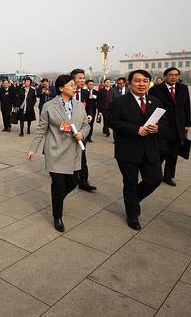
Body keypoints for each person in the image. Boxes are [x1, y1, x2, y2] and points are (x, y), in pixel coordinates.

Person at [27, 74, 90, 232]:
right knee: (58, 184)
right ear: (61, 88)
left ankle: (57, 200)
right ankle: (57, 216)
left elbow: (85, 125)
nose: (74, 87)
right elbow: (41, 129)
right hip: (54, 150)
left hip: (73, 151)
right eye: (71, 85)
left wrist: (82, 133)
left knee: (73, 182)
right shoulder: (49, 106)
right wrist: (32, 149)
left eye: (74, 85)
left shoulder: (79, 105)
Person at [110, 69, 163, 230]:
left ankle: (132, 200)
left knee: (155, 179)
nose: (142, 84)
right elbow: (113, 121)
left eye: (145, 81)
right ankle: (132, 215)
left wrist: (158, 128)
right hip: (128, 150)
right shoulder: (120, 102)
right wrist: (135, 129)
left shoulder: (155, 101)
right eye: (138, 81)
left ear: (149, 83)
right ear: (129, 83)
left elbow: (165, 121)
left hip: (150, 149)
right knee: (130, 183)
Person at [149, 67, 190, 186]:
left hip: (178, 126)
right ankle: (155, 174)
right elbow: (152, 109)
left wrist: (187, 123)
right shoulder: (156, 90)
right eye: (171, 75)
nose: (174, 77)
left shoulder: (183, 88)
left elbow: (186, 107)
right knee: (161, 152)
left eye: (176, 75)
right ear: (165, 76)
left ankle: (168, 176)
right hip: (163, 126)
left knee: (173, 154)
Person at [70, 68, 97, 191]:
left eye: (83, 78)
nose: (82, 80)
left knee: (82, 153)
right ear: (73, 79)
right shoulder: (66, 92)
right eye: (80, 78)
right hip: (67, 129)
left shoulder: (86, 93)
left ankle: (83, 181)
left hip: (81, 130)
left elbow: (90, 107)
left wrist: (90, 114)